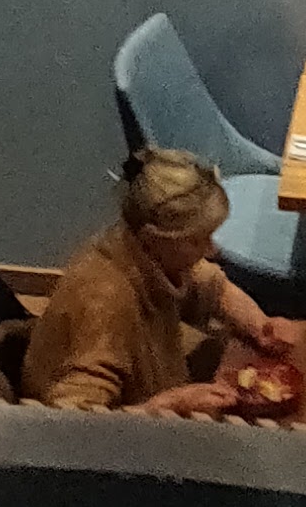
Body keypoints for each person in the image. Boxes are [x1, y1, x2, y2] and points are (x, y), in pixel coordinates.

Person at [21, 147, 282, 417]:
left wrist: (258, 324)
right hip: (105, 431)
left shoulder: (139, 249)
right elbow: (72, 422)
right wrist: (170, 405)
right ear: (152, 237)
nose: (211, 250)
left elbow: (206, 282)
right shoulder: (104, 300)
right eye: (196, 240)